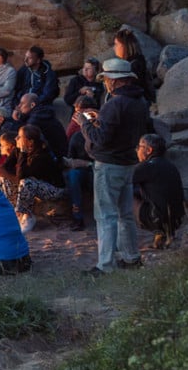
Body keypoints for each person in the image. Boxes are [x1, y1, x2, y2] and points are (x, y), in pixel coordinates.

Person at [80, 58, 153, 275]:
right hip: (128, 162)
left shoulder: (115, 103)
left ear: (113, 80)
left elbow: (100, 138)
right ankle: (131, 257)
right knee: (125, 214)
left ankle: (105, 264)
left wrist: (84, 123)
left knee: (105, 215)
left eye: (107, 79)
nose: (105, 83)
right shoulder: (141, 102)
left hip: (109, 164)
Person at [134, 133, 187, 249]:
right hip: (177, 219)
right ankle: (164, 235)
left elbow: (123, 180)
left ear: (148, 150)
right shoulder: (170, 165)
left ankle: (122, 242)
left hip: (156, 218)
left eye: (139, 147)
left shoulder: (147, 166)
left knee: (123, 195)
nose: (136, 150)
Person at [13, 124, 68, 232]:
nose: (16, 139)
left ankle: (27, 215)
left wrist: (22, 153)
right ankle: (14, 212)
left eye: (20, 137)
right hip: (38, 184)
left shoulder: (41, 155)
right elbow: (3, 169)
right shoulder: (21, 150)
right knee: (4, 179)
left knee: (26, 182)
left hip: (54, 189)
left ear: (30, 141)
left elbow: (21, 176)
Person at [63, 95, 96, 231]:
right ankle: (77, 216)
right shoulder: (77, 135)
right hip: (85, 169)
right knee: (73, 175)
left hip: (100, 167)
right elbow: (69, 159)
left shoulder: (102, 130)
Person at [14, 92, 69, 158]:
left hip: (55, 157)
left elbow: (25, 136)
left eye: (22, 103)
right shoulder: (42, 113)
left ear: (32, 105)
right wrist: (20, 117)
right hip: (61, 153)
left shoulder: (35, 120)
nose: (19, 106)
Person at [113, 28, 156, 105]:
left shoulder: (133, 65)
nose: (114, 48)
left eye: (116, 44)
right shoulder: (137, 61)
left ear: (124, 46)